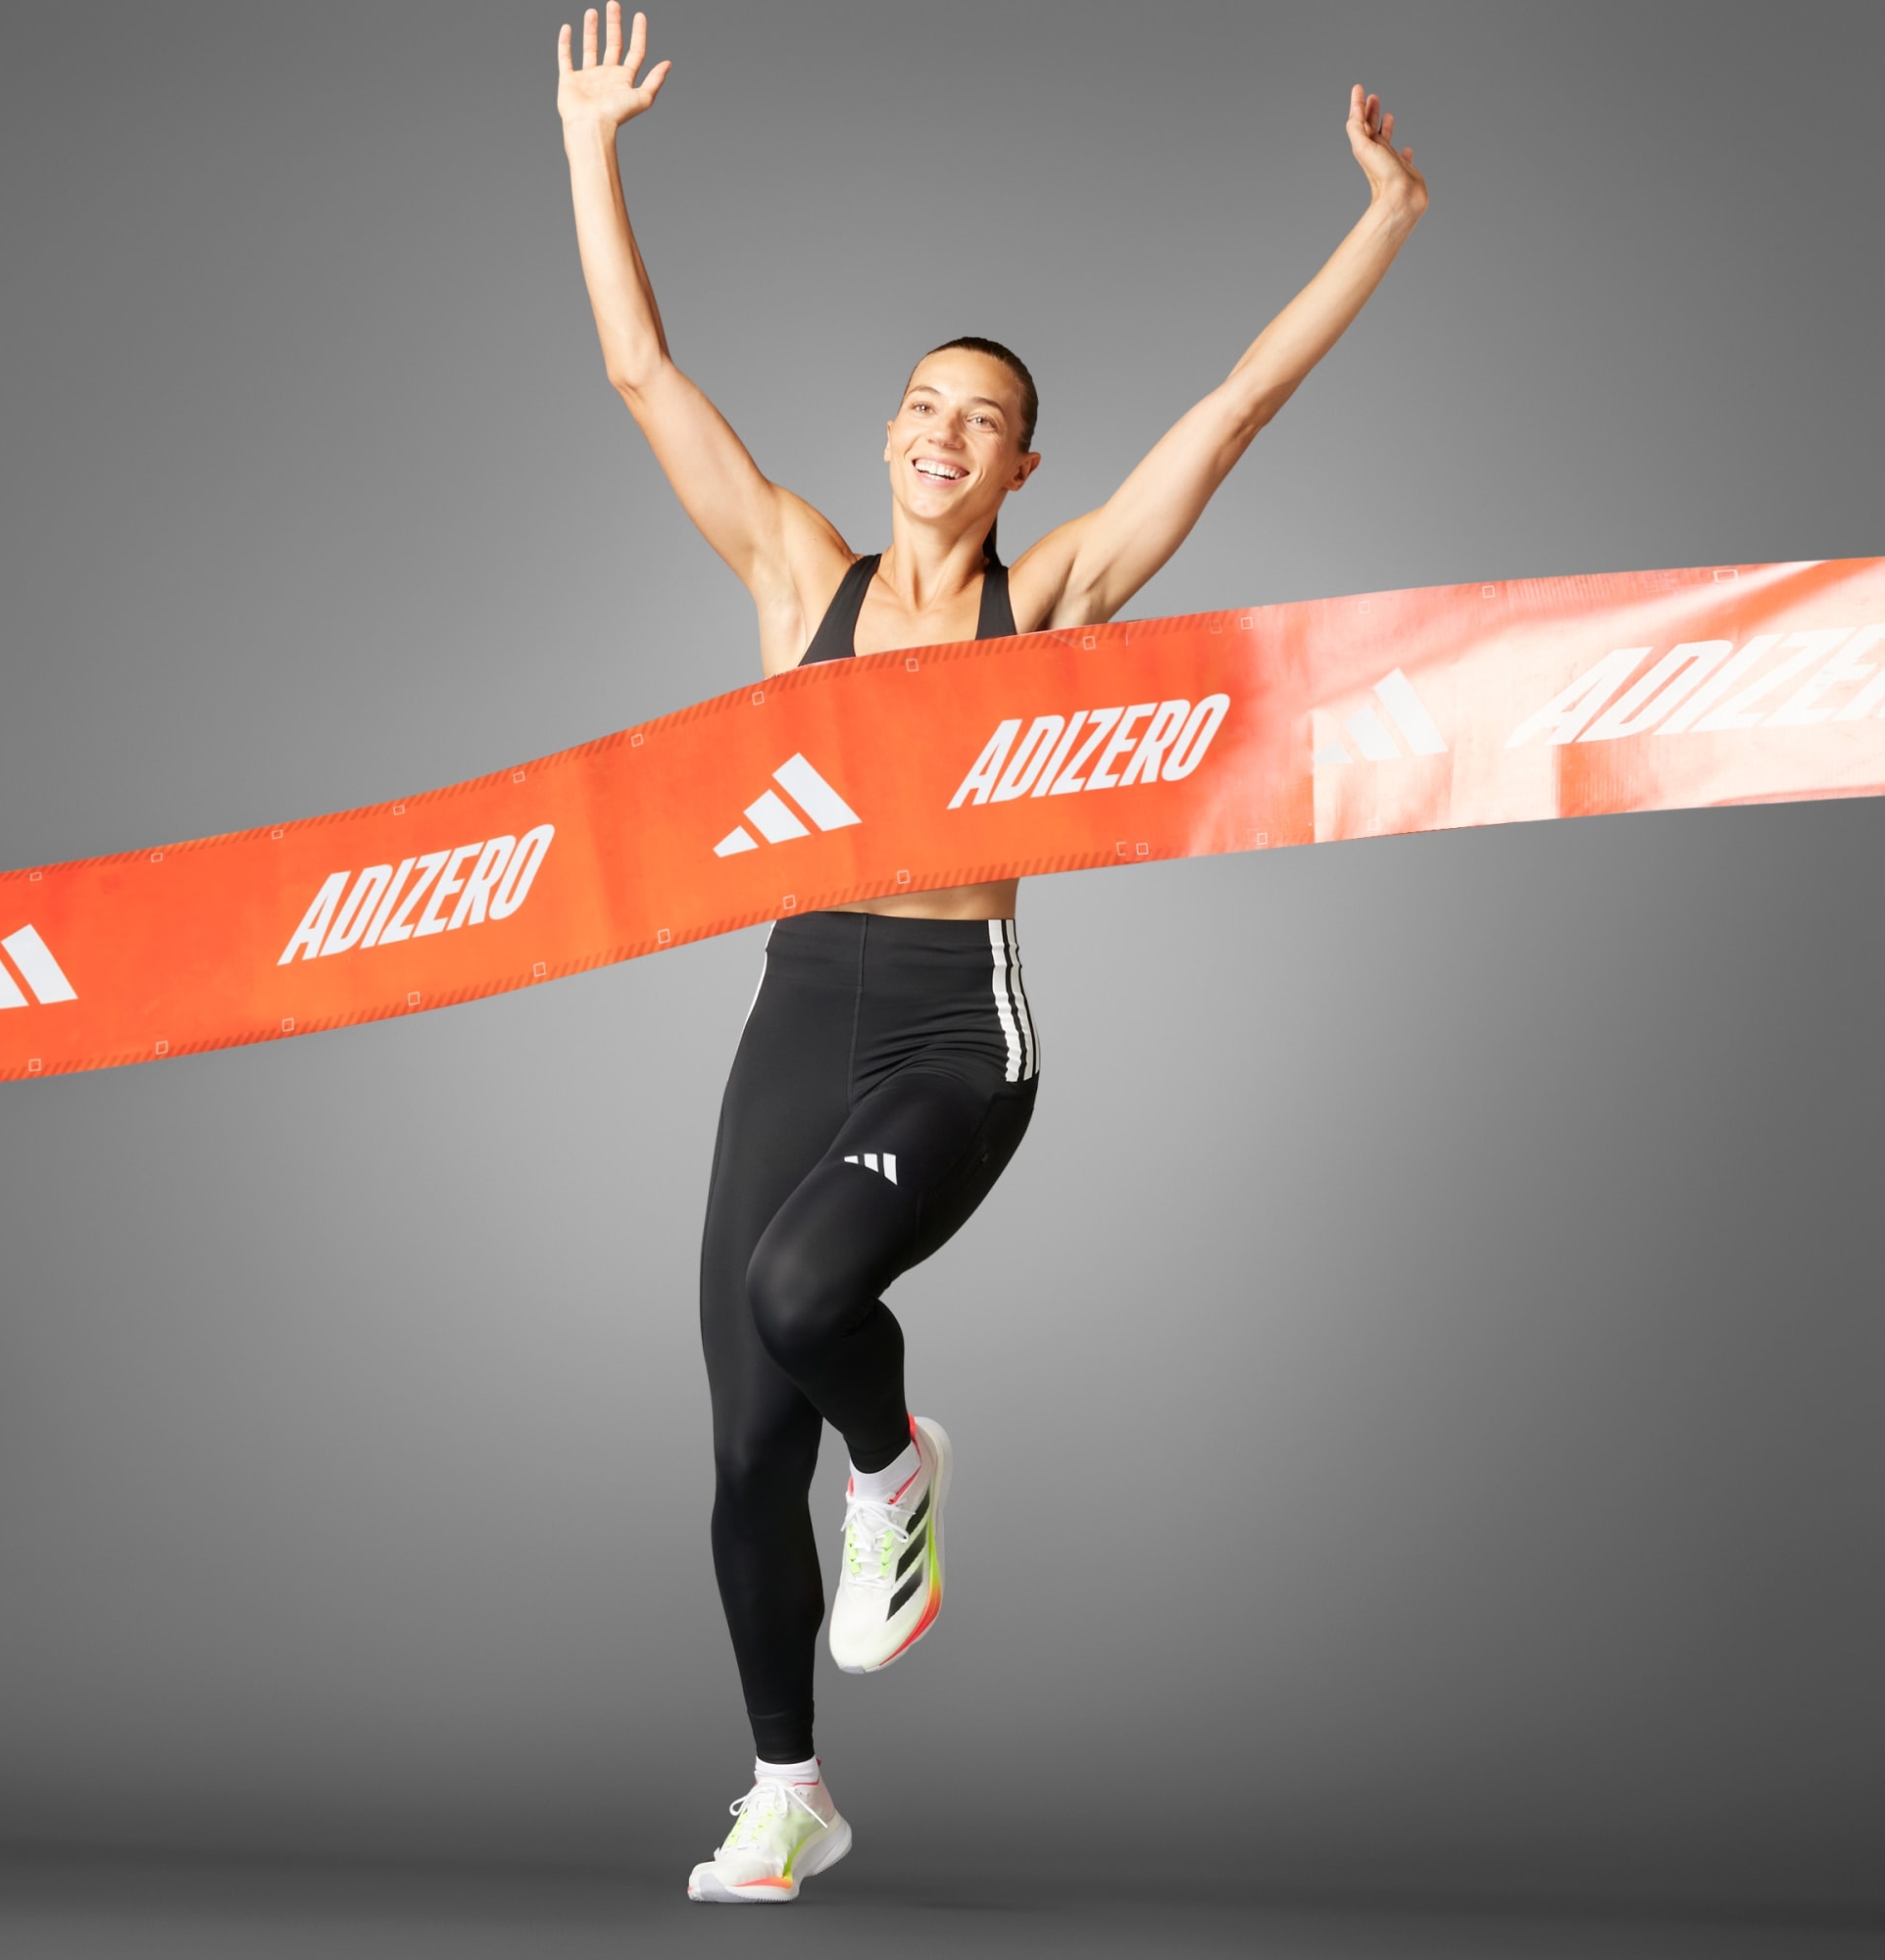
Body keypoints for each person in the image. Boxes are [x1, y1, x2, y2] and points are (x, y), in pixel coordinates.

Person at [556, 4, 1427, 1902]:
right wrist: (587, 143)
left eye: (981, 417)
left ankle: (899, 1467)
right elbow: (640, 372)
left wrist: (1383, 217)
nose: (941, 432)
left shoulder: (1054, 598)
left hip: (957, 1033)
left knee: (806, 1300)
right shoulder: (800, 578)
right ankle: (788, 1787)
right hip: (797, 1011)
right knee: (739, 1449)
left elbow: (1233, 410)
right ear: (889, 433)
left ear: (1024, 462)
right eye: (920, 403)